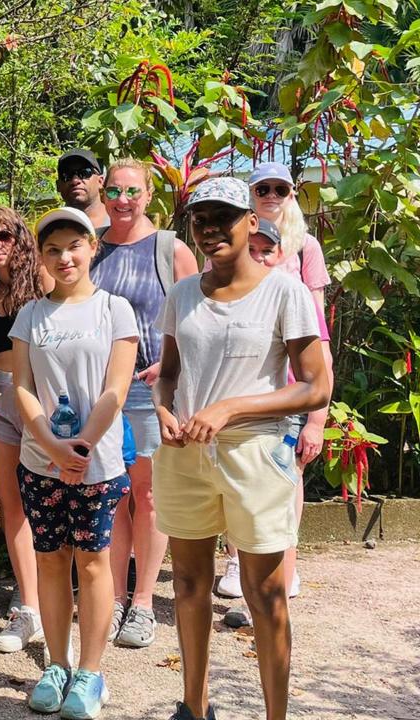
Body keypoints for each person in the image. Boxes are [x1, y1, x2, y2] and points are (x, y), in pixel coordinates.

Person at [154, 177, 329, 720]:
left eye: (223, 218)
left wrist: (232, 408)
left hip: (255, 453)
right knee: (188, 583)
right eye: (200, 220)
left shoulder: (285, 291)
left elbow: (316, 385)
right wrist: (162, 407)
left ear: (251, 222)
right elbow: (170, 373)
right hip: (186, 452)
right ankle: (194, 705)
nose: (210, 230)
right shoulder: (182, 294)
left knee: (266, 594)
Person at [9, 206, 136, 718]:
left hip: (97, 464)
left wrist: (79, 446)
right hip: (40, 463)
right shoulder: (31, 315)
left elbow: (117, 387)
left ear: (92, 248)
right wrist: (52, 446)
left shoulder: (114, 309)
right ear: (41, 256)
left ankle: (90, 672)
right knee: (51, 560)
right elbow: (22, 386)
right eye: (53, 249)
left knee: (94, 561)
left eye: (74, 246)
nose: (65, 257)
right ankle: (55, 665)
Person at [215, 163, 335, 612]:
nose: (270, 194)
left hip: (288, 389)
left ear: (291, 193)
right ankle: (236, 561)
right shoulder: (230, 244)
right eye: (260, 187)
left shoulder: (305, 249)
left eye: (279, 188)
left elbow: (316, 335)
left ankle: (285, 562)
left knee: (286, 477)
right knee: (235, 476)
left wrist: (317, 417)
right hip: (238, 386)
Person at [90, 157, 198, 649]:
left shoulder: (170, 249)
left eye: (133, 190)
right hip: (102, 391)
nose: (123, 199)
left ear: (149, 194)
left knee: (150, 495)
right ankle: (112, 599)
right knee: (113, 494)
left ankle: (143, 603)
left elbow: (197, 320)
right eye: (114, 190)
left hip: (154, 391)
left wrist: (171, 367)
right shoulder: (91, 246)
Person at [0, 207, 51, 654]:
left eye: (3, 236)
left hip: (41, 399)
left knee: (49, 497)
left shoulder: (43, 281)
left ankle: (51, 599)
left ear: (19, 236)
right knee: (10, 502)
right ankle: (29, 608)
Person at [57, 149, 110, 234]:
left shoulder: (119, 220)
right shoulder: (51, 228)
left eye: (85, 173)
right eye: (66, 175)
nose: (75, 180)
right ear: (58, 185)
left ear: (100, 181)